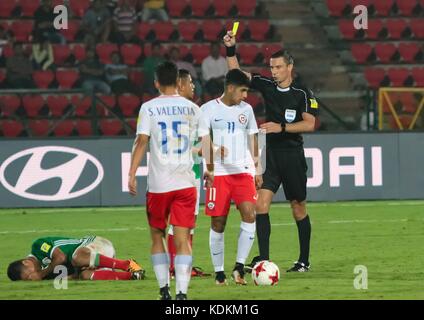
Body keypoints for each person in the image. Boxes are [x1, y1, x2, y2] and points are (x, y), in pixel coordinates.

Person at [223, 30, 318, 272]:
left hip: (293, 157)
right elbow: (236, 74)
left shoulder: (303, 93)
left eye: (277, 67)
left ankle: (303, 260)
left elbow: (310, 124)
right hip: (271, 157)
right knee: (261, 204)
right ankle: (263, 258)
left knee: (298, 207)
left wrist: (281, 127)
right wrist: (231, 49)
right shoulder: (267, 86)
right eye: (271, 67)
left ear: (289, 67)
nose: (273, 71)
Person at [128, 61, 213, 300]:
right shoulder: (193, 109)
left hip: (158, 185)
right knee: (183, 238)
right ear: (178, 82)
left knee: (158, 236)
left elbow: (142, 142)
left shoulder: (148, 108)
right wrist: (209, 170)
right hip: (186, 184)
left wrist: (131, 174)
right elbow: (206, 143)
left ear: (156, 82)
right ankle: (182, 294)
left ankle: (164, 290)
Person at [198, 69, 262, 285]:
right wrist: (209, 167)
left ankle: (239, 267)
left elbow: (253, 140)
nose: (245, 96)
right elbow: (204, 142)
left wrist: (257, 169)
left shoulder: (247, 110)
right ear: (231, 88)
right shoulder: (207, 110)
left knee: (250, 214)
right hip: (220, 173)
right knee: (218, 222)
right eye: (243, 91)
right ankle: (219, 273)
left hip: (243, 171)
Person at [166, 69, 209, 278]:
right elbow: (176, 144)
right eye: (190, 82)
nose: (193, 86)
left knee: (185, 220)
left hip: (184, 171)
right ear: (180, 85)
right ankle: (176, 267)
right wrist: (202, 150)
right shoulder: (186, 111)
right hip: (184, 172)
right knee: (183, 220)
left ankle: (180, 265)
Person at [7, 235, 145, 281]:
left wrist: (41, 274)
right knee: (85, 275)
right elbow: (73, 273)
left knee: (77, 257)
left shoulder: (37, 246)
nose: (33, 277)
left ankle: (128, 264)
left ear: (26, 262)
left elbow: (60, 257)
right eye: (29, 279)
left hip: (96, 244)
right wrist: (77, 274)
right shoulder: (48, 272)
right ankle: (132, 276)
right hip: (93, 259)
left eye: (29, 273)